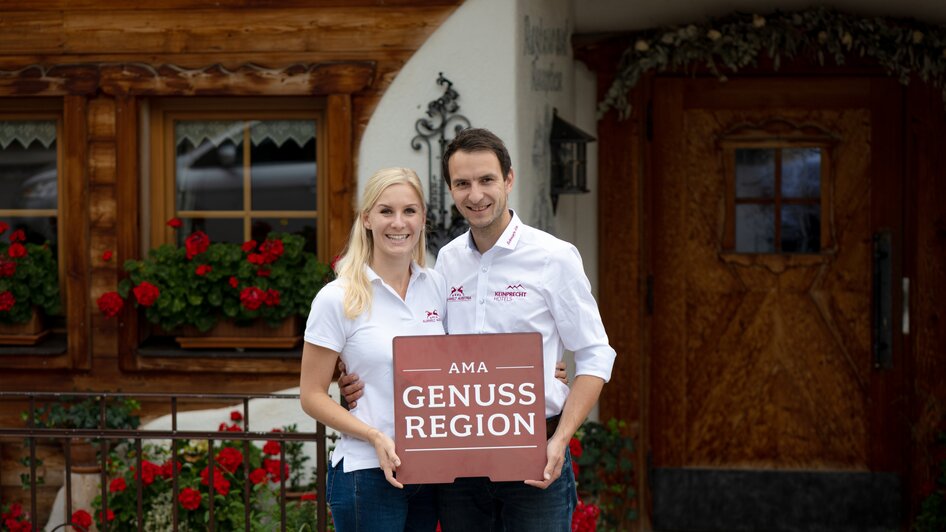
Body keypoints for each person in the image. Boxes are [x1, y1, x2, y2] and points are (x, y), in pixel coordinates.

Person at [339, 128, 616, 531]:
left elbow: (595, 354)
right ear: (451, 189)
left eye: (486, 180)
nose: (475, 195)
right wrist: (354, 378)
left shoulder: (553, 258)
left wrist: (560, 440)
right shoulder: (447, 262)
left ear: (508, 179)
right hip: (460, 460)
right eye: (462, 183)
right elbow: (426, 349)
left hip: (534, 453)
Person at [299, 167, 442, 532]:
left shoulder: (438, 286)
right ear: (366, 219)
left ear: (423, 218)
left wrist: (537, 372)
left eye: (409, 211)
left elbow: (462, 364)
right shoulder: (338, 297)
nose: (399, 222)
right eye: (385, 211)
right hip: (367, 472)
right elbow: (312, 395)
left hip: (429, 470)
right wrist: (374, 435)